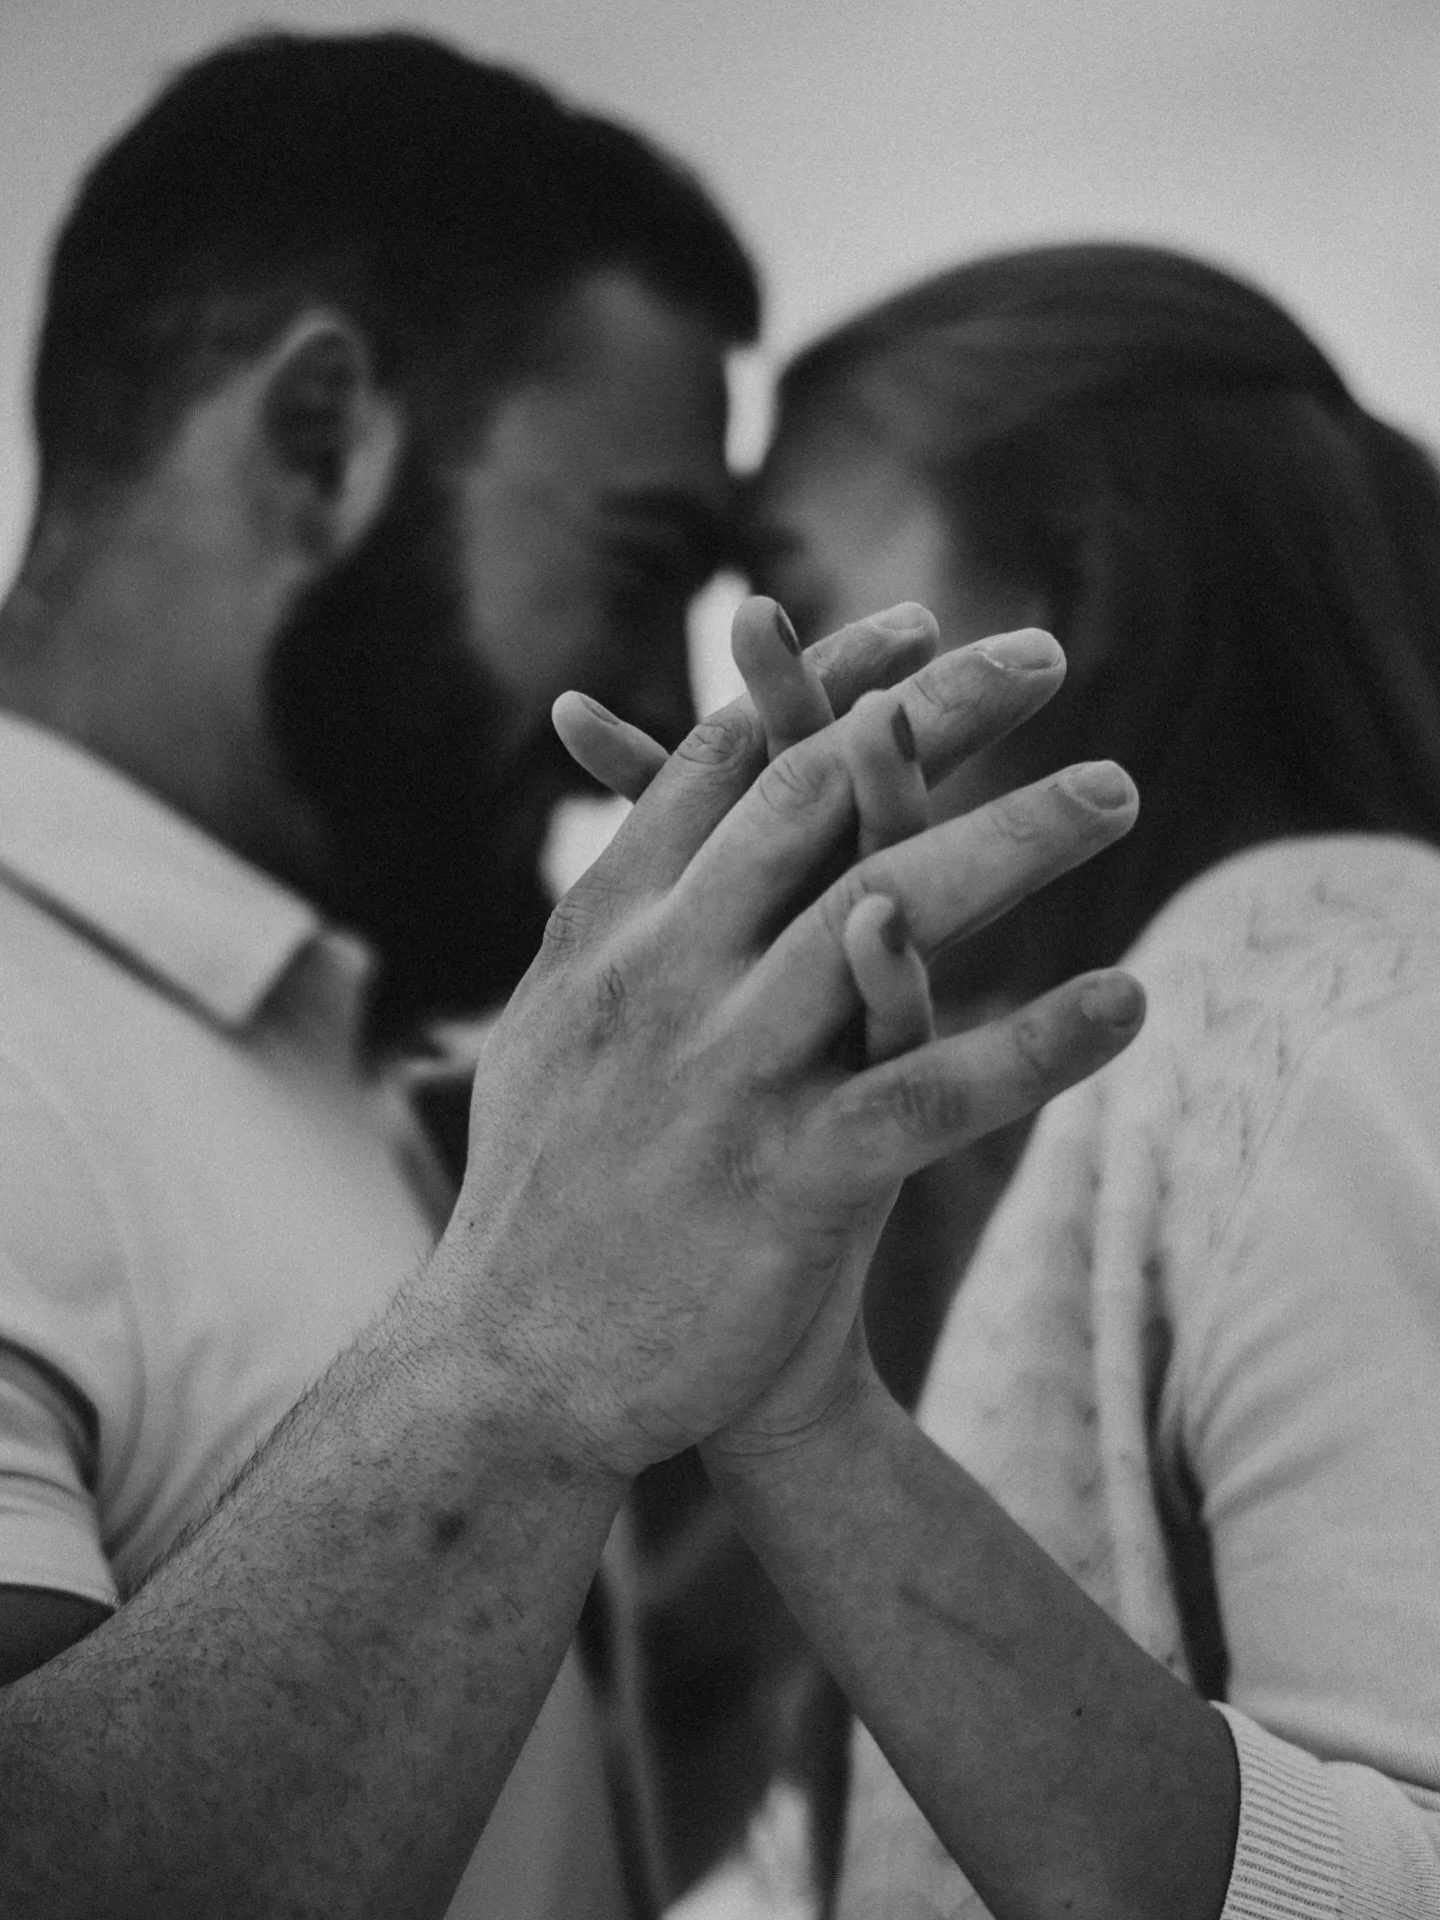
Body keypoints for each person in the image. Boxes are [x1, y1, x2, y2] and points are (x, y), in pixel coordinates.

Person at [0, 29, 1148, 1919]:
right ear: (322, 439)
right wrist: (533, 1345)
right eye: (638, 559)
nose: (663, 688)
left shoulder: (331, 1064)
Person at [731, 242, 1440, 1916]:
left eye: (795, 605)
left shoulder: (1322, 990)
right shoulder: (1139, 1063)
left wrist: (794, 1422)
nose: (751, 722)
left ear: (1076, 578)